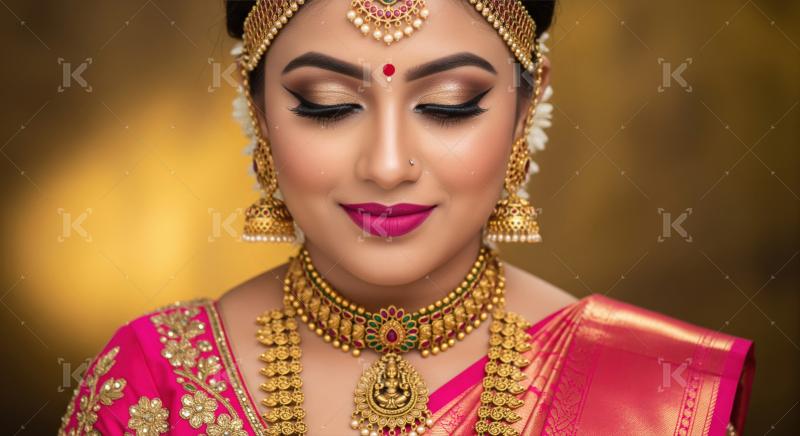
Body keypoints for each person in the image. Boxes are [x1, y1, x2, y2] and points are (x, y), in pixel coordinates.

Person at [58, 1, 754, 435]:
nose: (387, 166)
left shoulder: (653, 400)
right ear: (258, 107)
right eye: (327, 103)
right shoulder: (156, 384)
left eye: (449, 104)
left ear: (526, 103)